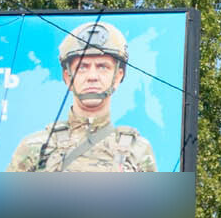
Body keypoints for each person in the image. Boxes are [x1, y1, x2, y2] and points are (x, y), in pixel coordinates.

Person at [9, 21, 158, 173]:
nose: (92, 76)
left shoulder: (138, 150)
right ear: (67, 77)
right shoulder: (35, 148)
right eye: (82, 67)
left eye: (102, 67)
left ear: (118, 76)